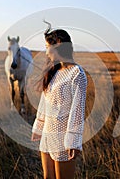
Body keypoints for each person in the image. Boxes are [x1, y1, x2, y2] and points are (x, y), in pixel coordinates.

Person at [31, 21, 87, 179]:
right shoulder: (54, 71)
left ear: (58, 45)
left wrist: (74, 141)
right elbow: (45, 102)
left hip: (63, 139)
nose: (46, 51)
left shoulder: (77, 74)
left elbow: (78, 110)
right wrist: (39, 126)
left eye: (47, 46)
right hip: (48, 136)